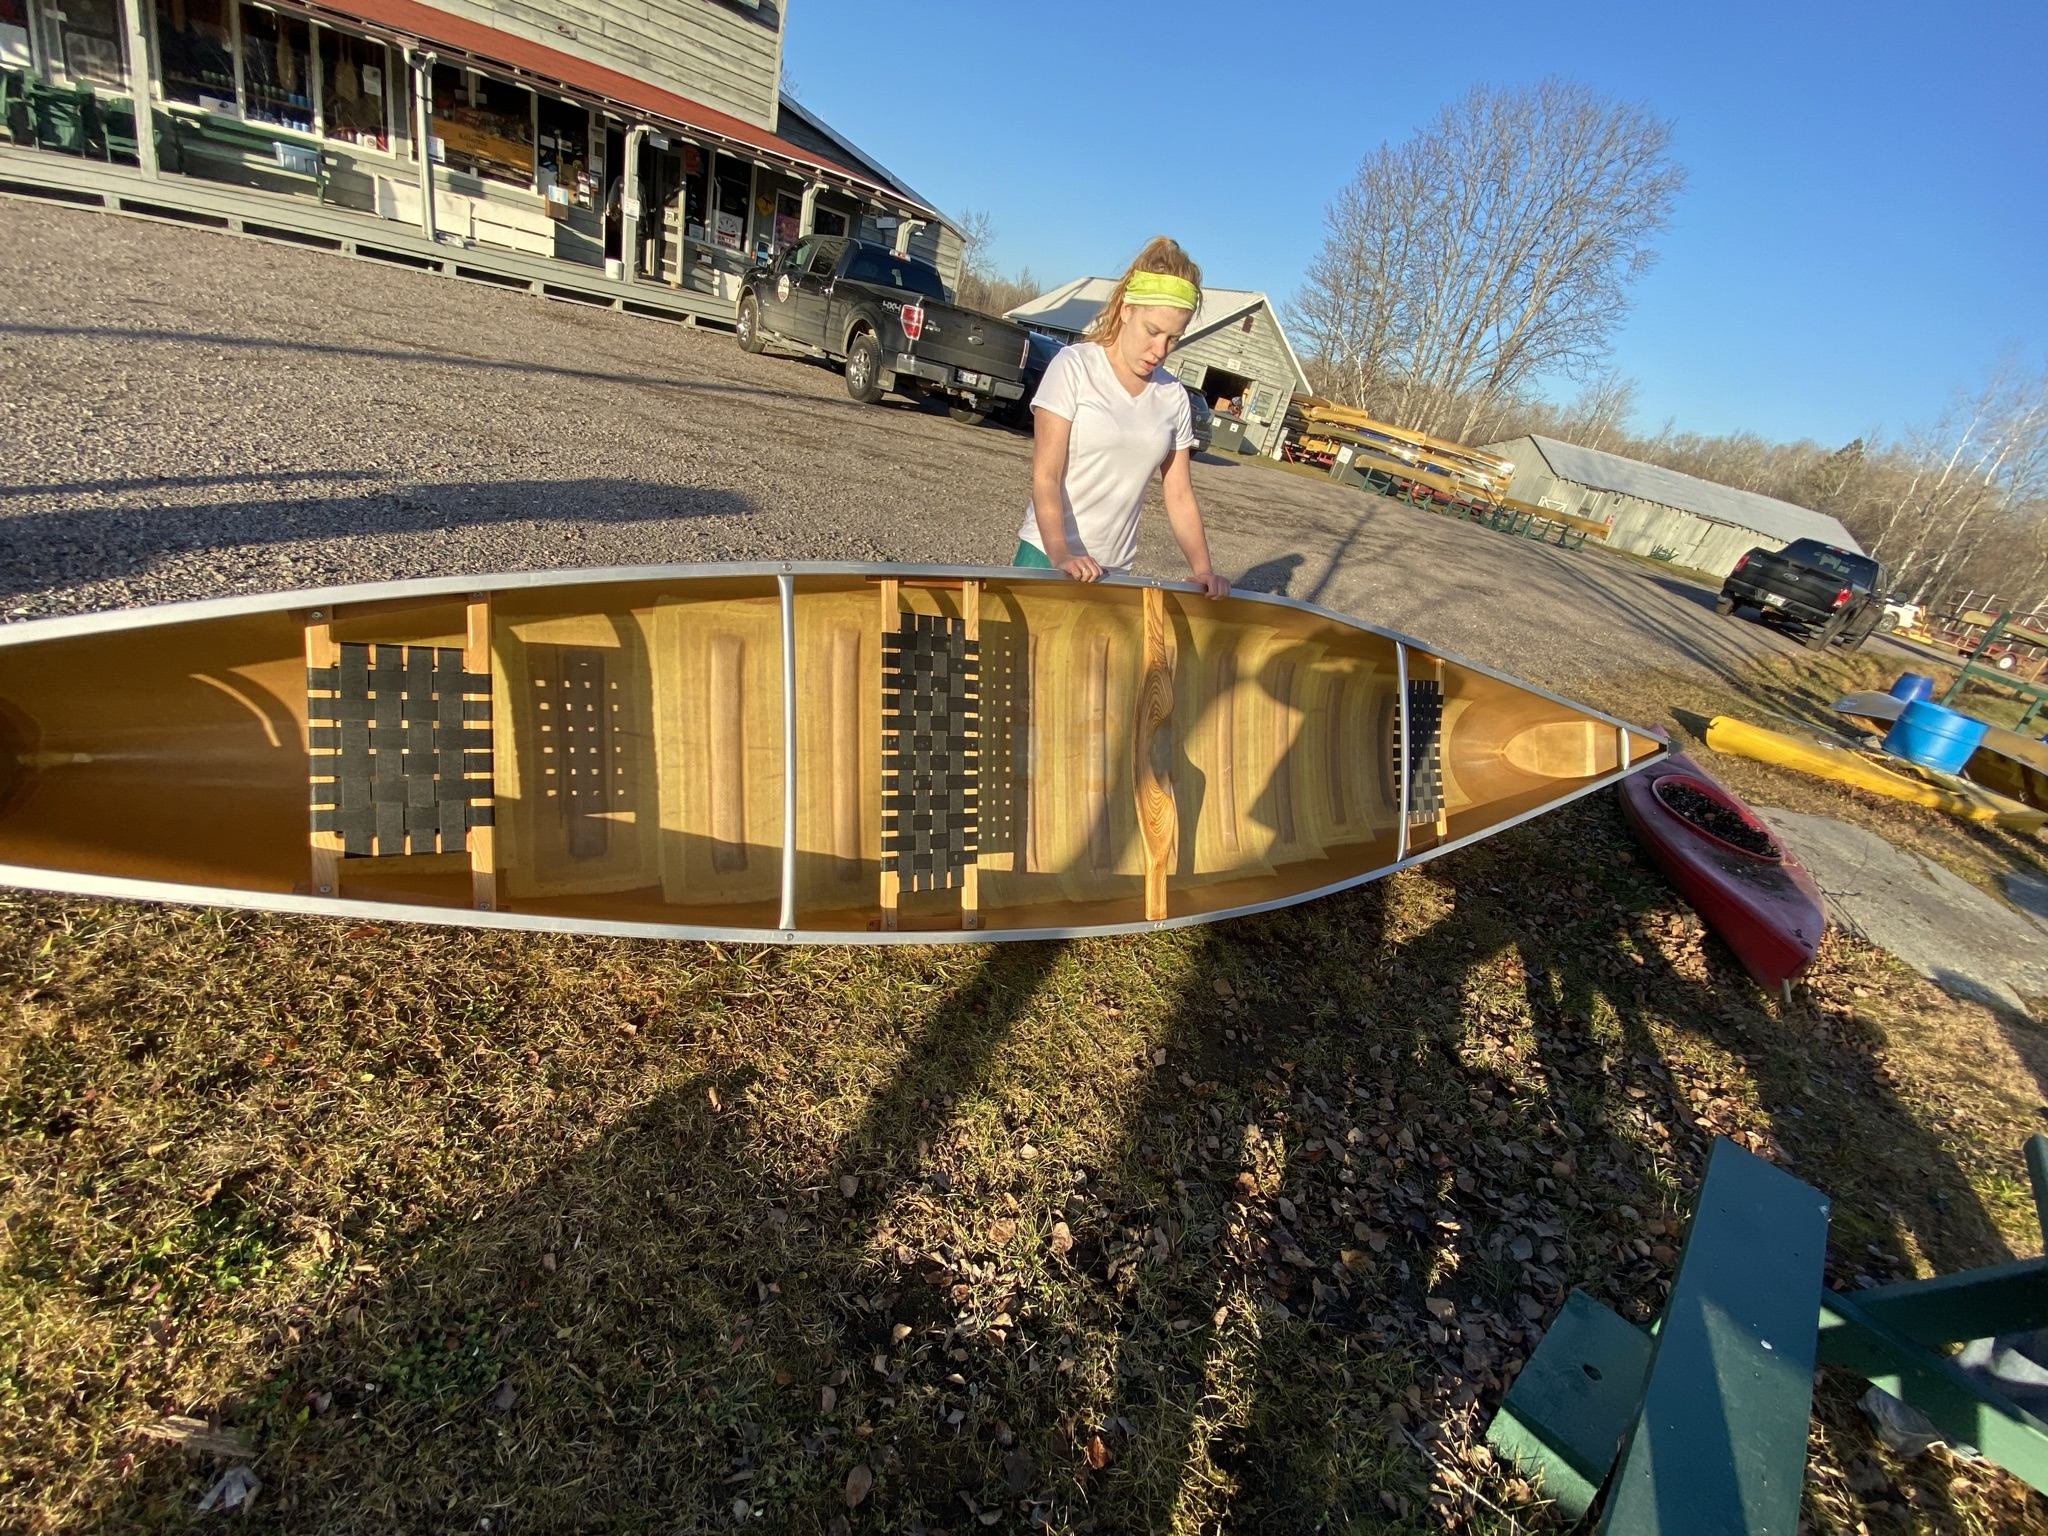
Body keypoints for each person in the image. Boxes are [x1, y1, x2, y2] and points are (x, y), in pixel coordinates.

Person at [1014, 237, 1230, 598]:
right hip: (1046, 557)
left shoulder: (1173, 396)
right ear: (1127, 310)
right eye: (1153, 331)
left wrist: (1203, 570)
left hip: (1113, 571)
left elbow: (1178, 494)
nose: (1160, 350)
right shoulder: (1075, 366)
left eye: (1173, 338)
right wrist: (1061, 554)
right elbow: (1045, 474)